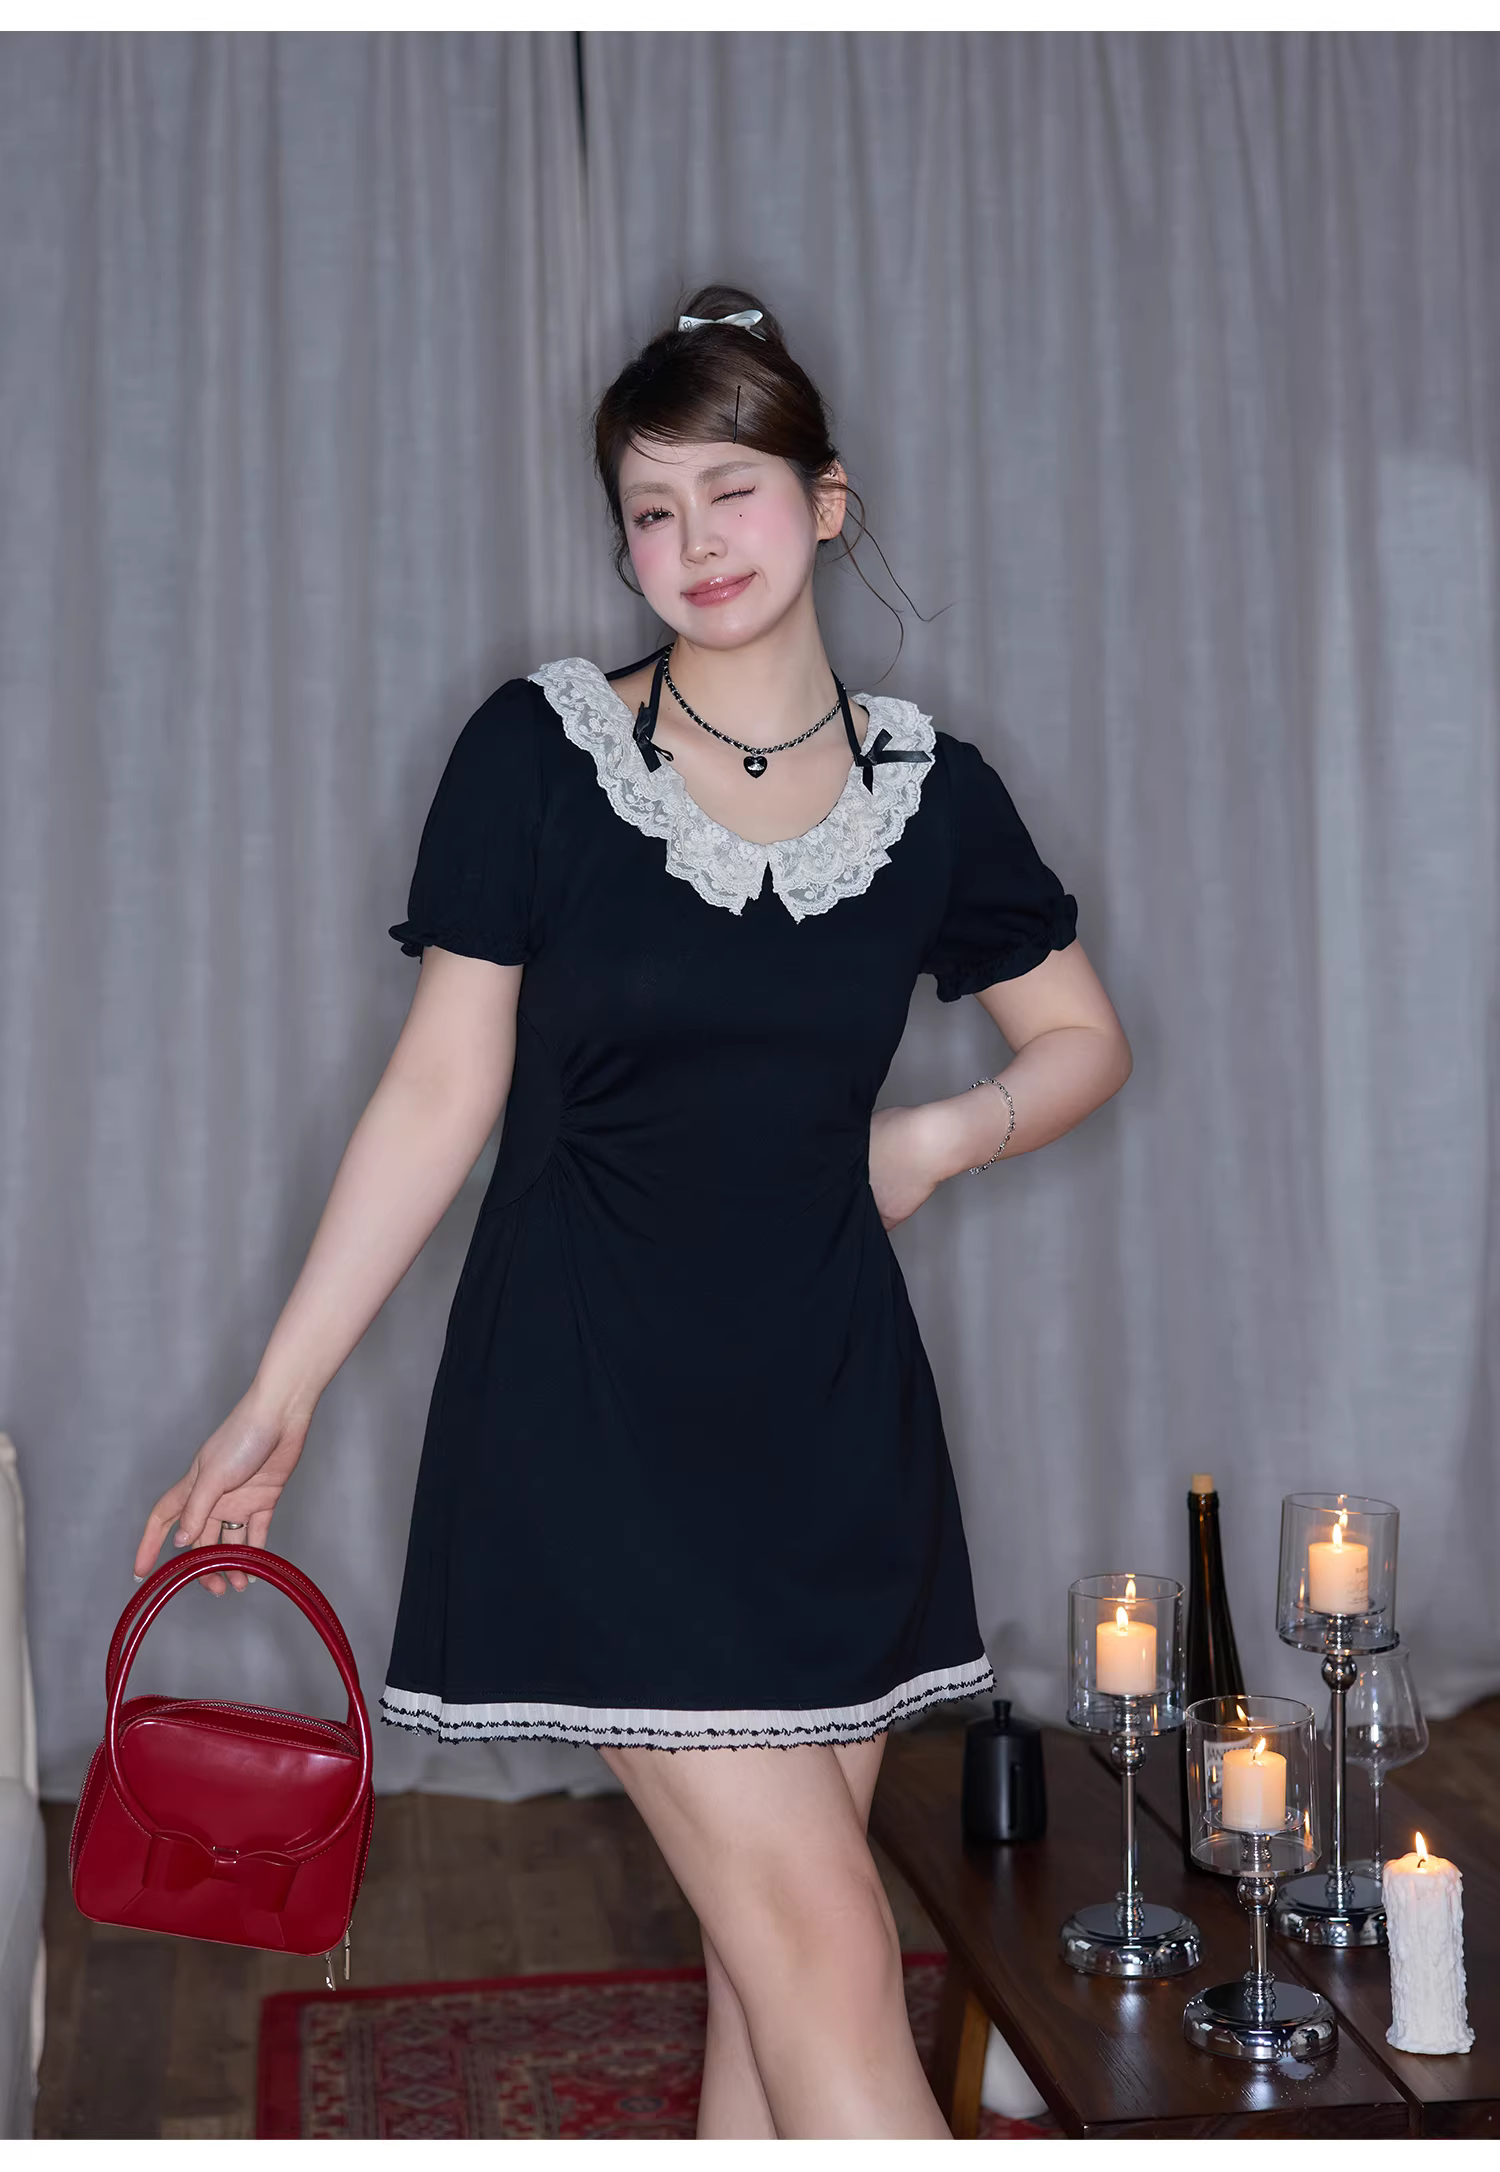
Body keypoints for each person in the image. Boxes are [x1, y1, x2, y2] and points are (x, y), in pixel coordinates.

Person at [133, 283, 1132, 2139]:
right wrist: (282, 1391)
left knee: (778, 1991)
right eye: (651, 508)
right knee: (836, 1977)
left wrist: (937, 1138)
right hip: (592, 1415)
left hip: (831, 1435)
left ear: (825, 500)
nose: (694, 541)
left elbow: (1084, 1041)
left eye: (730, 490)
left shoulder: (930, 794)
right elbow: (441, 1088)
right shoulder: (540, 752)